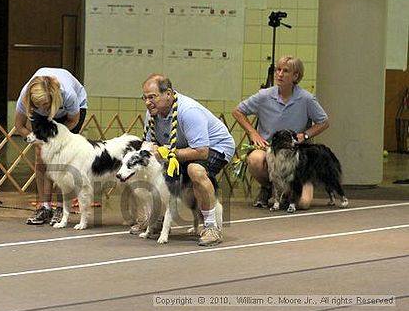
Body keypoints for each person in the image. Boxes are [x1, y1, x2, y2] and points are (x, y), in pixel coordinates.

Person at [141, 74, 236, 246]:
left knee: (195, 170)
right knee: (154, 169)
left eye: (152, 97)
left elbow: (201, 152)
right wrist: (152, 149)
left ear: (168, 94)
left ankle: (211, 227)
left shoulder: (189, 112)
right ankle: (158, 219)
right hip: (181, 149)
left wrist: (168, 153)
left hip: (216, 147)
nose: (148, 102)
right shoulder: (152, 114)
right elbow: (151, 143)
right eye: (145, 98)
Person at [232, 55, 329, 210]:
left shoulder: (307, 99)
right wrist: (252, 133)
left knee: (303, 204)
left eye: (285, 71)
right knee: (255, 159)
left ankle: (299, 184)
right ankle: (268, 188)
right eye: (278, 70)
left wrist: (305, 135)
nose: (280, 74)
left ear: (296, 76)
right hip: (270, 149)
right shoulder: (264, 95)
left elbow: (323, 122)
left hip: (296, 154)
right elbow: (237, 111)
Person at [15, 67, 87, 225]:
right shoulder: (25, 96)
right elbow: (19, 125)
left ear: (52, 96)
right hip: (42, 118)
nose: (43, 108)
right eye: (37, 104)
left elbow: (73, 120)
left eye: (45, 104)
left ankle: (61, 208)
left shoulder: (68, 94)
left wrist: (57, 141)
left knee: (63, 158)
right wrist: (37, 141)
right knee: (41, 158)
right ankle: (44, 207)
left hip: (69, 116)